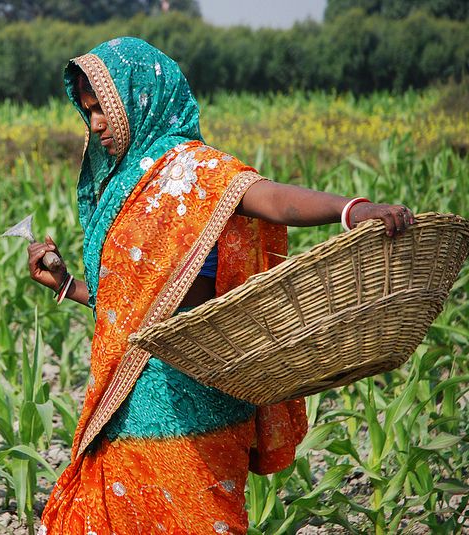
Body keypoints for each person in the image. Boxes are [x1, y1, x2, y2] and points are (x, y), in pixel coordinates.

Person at [26, 38, 413, 535]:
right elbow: (131, 303)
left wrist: (352, 211)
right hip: (130, 402)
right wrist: (67, 286)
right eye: (88, 111)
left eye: (103, 107)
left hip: (200, 396)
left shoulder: (193, 170)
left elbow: (268, 198)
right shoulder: (120, 186)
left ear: (141, 96)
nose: (96, 123)